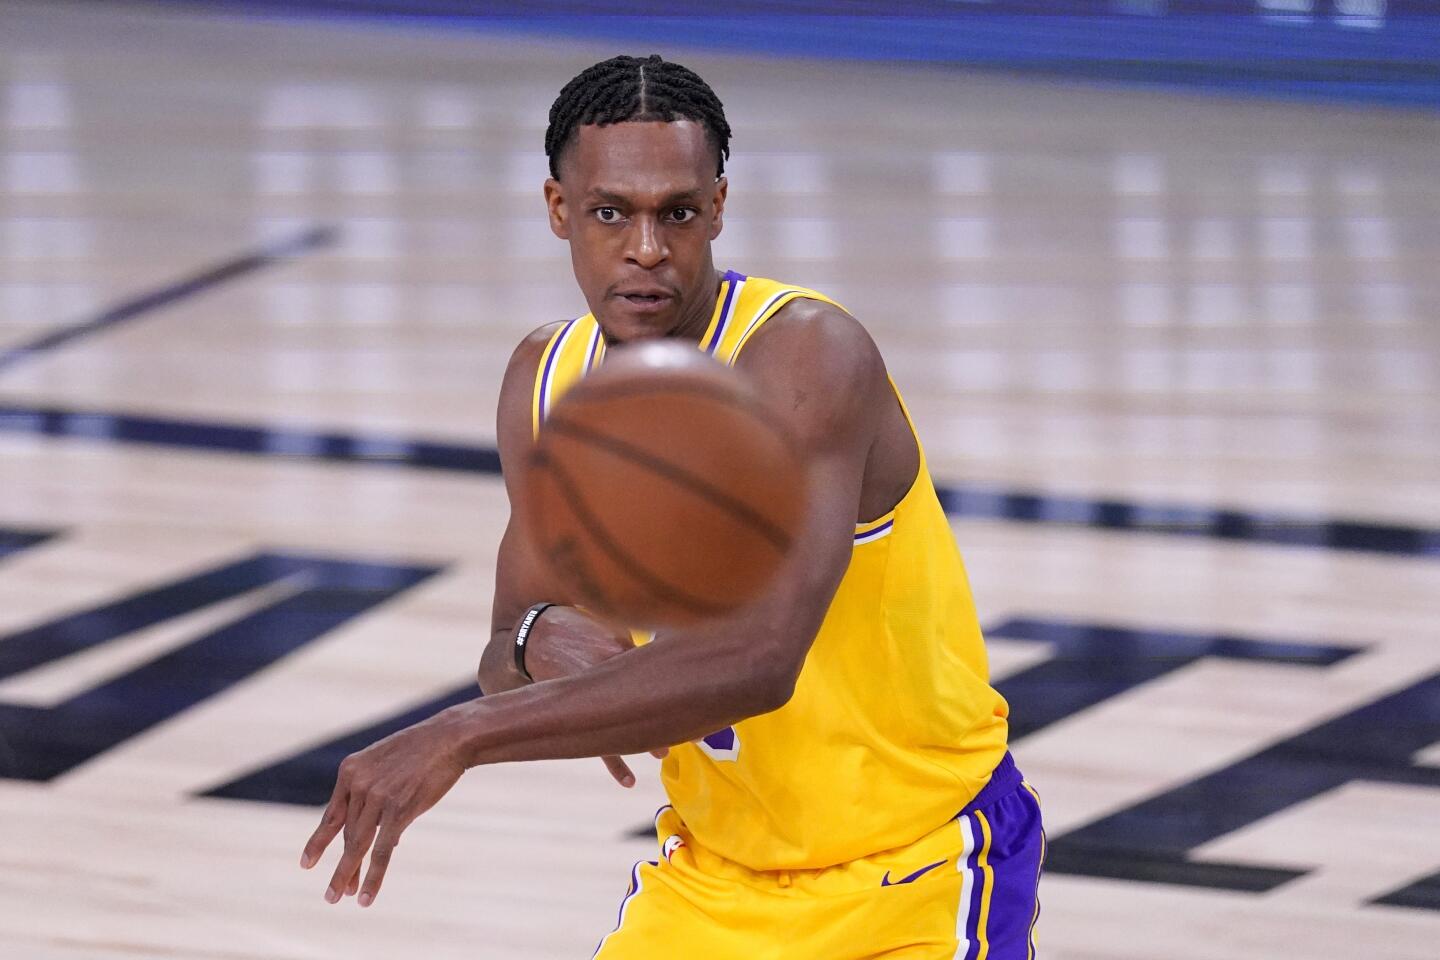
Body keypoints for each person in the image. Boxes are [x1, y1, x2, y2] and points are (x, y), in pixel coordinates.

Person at [300, 54, 1044, 959]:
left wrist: (462, 734)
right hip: (712, 877)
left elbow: (758, 660)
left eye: (677, 213)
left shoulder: (809, 358)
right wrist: (540, 638)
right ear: (558, 209)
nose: (646, 247)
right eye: (612, 212)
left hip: (916, 869)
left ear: (719, 209)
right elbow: (506, 643)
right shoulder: (547, 382)